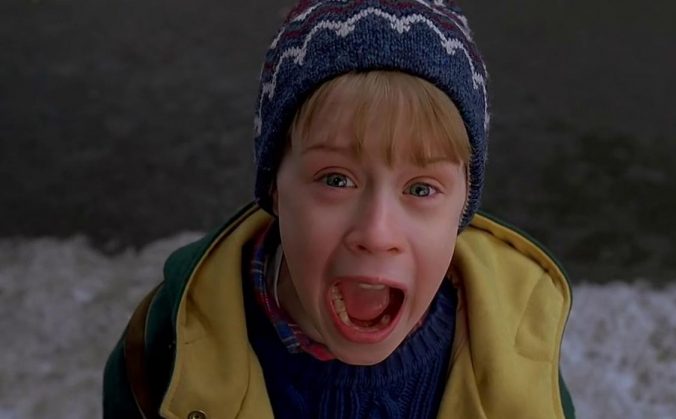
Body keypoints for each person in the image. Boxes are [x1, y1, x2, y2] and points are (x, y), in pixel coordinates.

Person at [103, 1, 576, 418]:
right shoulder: (172, 338)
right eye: (336, 180)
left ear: (462, 208)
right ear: (275, 187)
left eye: (422, 189)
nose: (376, 232)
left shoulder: (519, 354)